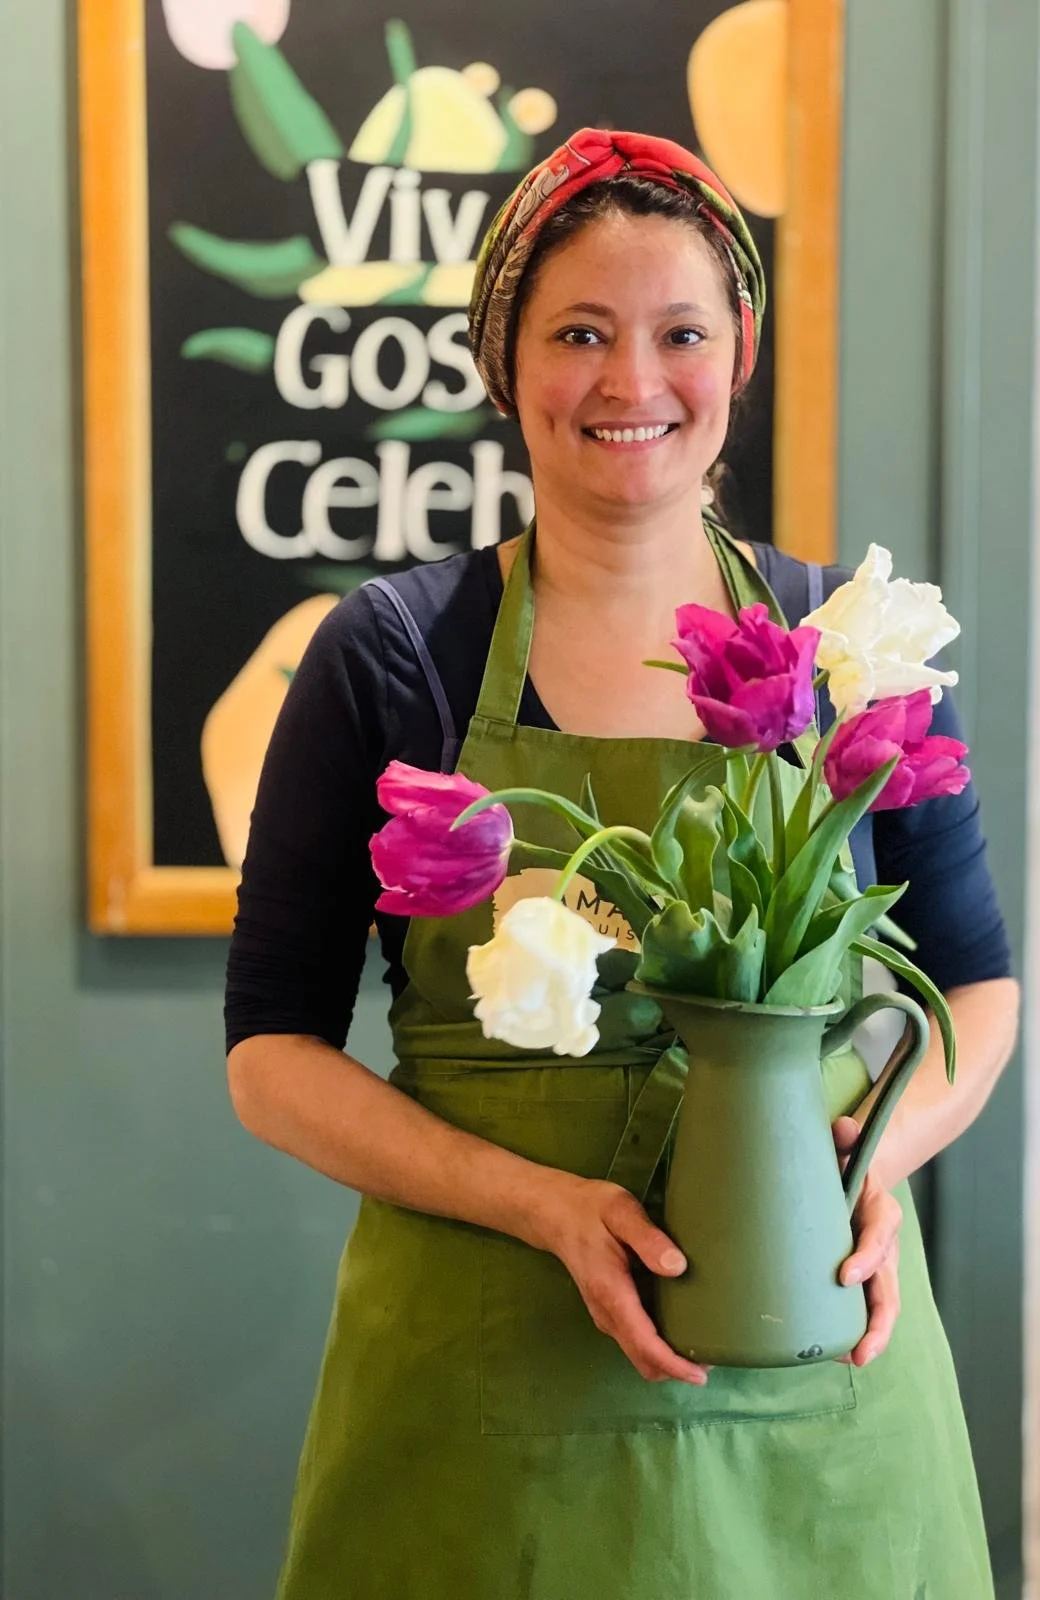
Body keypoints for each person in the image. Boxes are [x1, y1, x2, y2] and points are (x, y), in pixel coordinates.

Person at [224, 129, 1019, 1598]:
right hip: (483, 1390)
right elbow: (270, 1054)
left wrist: (866, 1166)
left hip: (815, 1400)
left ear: (742, 353)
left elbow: (977, 987)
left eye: (681, 334)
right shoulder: (394, 656)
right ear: (501, 358)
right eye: (578, 333)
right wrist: (540, 1205)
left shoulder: (852, 645)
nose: (631, 383)